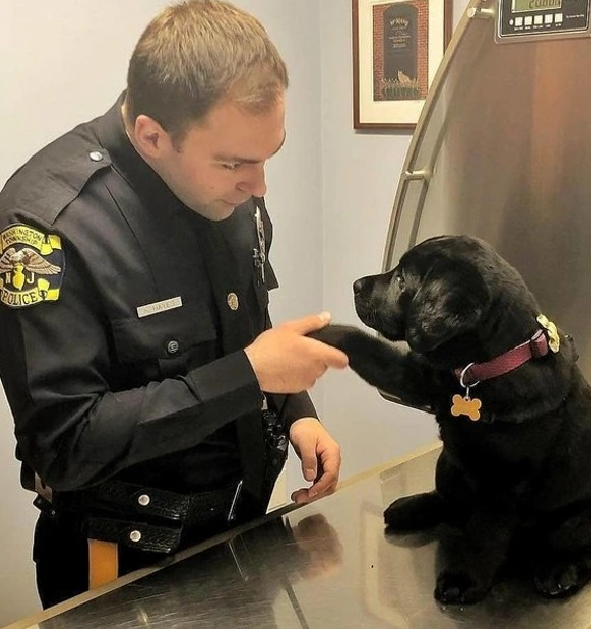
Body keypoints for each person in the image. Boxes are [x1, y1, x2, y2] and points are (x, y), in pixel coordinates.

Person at [0, 0, 349, 609]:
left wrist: (295, 409)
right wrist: (250, 377)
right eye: (236, 163)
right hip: (121, 566)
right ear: (152, 137)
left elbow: (244, 326)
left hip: (243, 533)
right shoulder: (51, 226)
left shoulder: (228, 188)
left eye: (269, 155)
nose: (259, 186)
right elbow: (65, 443)